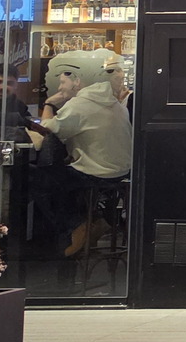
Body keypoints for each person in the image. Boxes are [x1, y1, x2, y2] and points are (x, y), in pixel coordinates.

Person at [28, 51, 132, 256]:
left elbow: (48, 128)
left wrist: (49, 102)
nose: (60, 88)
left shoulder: (80, 104)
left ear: (77, 81)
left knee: (36, 179)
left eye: (62, 83)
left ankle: (77, 226)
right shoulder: (111, 101)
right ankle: (94, 220)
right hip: (121, 171)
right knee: (60, 178)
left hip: (97, 173)